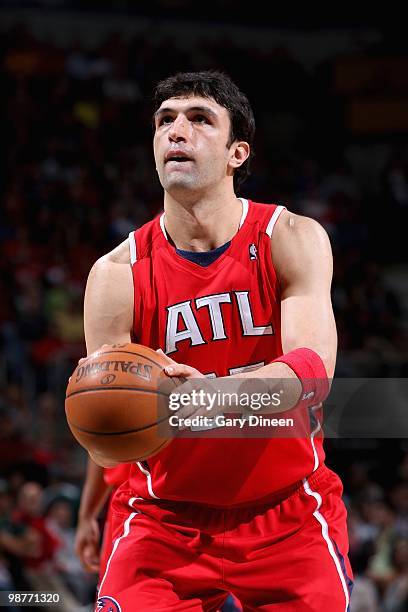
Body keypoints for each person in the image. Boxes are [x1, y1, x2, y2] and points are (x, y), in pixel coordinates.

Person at [83, 70, 353, 610]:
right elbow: (111, 414)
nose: (176, 132)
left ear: (237, 153)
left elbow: (310, 373)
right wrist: (89, 508)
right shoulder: (116, 274)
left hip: (286, 511)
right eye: (165, 121)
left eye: (199, 119)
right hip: (164, 519)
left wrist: (200, 400)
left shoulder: (291, 237)